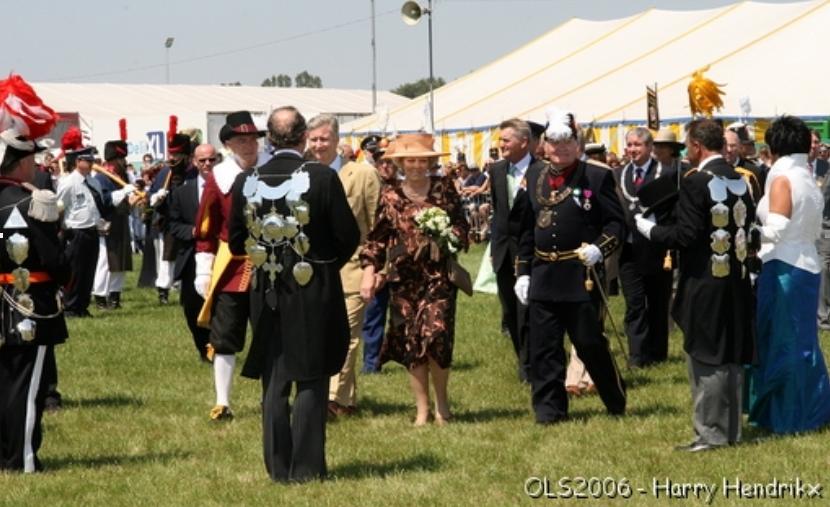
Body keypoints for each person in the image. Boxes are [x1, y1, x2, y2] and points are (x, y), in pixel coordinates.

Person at [228, 105, 358, 482]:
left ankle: (278, 467)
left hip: (264, 286)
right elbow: (347, 236)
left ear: (269, 138)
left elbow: (236, 240)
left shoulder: (246, 180)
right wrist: (324, 263)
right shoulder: (320, 177)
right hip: (312, 284)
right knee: (312, 376)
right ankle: (306, 468)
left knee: (276, 377)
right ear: (303, 137)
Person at [635, 119, 755, 451]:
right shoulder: (741, 178)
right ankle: (732, 431)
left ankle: (710, 434)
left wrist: (648, 230)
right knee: (731, 355)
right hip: (737, 281)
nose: (687, 153)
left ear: (698, 146)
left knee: (706, 357)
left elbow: (685, 236)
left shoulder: (695, 181)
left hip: (704, 281)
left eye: (688, 146)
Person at [514, 108, 626, 424]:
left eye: (566, 144)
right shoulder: (534, 175)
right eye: (553, 144)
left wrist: (599, 249)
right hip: (543, 275)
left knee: (590, 343)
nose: (560, 150)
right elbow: (524, 229)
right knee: (545, 348)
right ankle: (549, 411)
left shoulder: (597, 176)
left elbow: (617, 225)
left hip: (580, 275)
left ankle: (614, 399)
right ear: (544, 146)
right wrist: (522, 273)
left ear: (576, 145)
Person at [360, 133, 469, 426]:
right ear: (400, 163)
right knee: (412, 342)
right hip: (404, 280)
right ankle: (422, 410)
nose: (417, 165)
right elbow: (377, 240)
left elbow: (462, 225)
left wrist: (448, 237)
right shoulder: (390, 195)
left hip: (439, 277)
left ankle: (442, 406)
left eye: (423, 160)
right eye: (411, 160)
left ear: (430, 162)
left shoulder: (444, 189)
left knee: (437, 336)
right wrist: (370, 271)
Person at [747, 115, 830, 433]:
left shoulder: (781, 176)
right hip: (805, 263)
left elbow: (778, 227)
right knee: (803, 341)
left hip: (785, 266)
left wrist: (750, 234)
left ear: (772, 144)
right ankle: (814, 407)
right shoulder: (806, 174)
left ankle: (790, 415)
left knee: (785, 342)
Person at [0, 87, 68, 472]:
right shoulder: (32, 200)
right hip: (30, 301)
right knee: (27, 388)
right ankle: (22, 460)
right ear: (22, 163)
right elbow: (55, 259)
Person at [306, 115, 380, 417]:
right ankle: (346, 400)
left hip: (353, 268)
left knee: (347, 334)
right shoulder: (303, 175)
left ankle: (332, 400)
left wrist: (373, 270)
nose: (319, 144)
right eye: (313, 139)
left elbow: (377, 226)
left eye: (324, 138)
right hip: (312, 270)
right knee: (319, 333)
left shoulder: (361, 174)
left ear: (337, 140)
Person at [194, 111, 266, 420]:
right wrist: (203, 267)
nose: (248, 146)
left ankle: (272, 396)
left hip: (269, 262)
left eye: (252, 139)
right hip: (231, 265)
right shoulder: (218, 177)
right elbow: (206, 226)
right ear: (228, 144)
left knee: (270, 334)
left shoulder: (273, 171)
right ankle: (223, 401)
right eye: (241, 140)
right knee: (224, 336)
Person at [616, 127, 677, 368]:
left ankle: (657, 352)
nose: (632, 150)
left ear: (650, 147)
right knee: (634, 304)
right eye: (629, 145)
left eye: (637, 145)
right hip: (629, 250)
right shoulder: (618, 174)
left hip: (657, 250)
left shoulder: (667, 173)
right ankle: (637, 356)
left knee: (658, 303)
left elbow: (673, 211)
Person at [489, 119, 541, 382]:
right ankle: (523, 357)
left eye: (506, 140)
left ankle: (530, 367)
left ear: (524, 142)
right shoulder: (496, 170)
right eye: (500, 140)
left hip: (531, 249)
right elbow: (499, 211)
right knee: (509, 311)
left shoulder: (541, 170)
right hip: (503, 251)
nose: (501, 145)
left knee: (527, 312)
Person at [168, 143, 217, 362]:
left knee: (220, 307)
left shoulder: (228, 188)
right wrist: (194, 231)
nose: (207, 164)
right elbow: (173, 224)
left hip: (221, 254)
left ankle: (219, 347)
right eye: (202, 160)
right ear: (194, 162)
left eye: (211, 160)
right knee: (192, 307)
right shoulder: (182, 192)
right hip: (192, 256)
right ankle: (203, 347)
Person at [56, 129, 104, 318]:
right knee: (75, 271)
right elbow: (60, 206)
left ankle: (82, 305)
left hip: (92, 230)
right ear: (77, 162)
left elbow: (97, 205)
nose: (91, 163)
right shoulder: (68, 182)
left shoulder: (93, 182)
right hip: (76, 231)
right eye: (87, 160)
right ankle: (70, 306)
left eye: (92, 160)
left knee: (89, 270)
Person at [146, 131, 194, 304]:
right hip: (169, 220)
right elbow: (151, 196)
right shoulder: (165, 172)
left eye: (178, 155)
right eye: (172, 154)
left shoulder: (194, 172)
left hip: (190, 221)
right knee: (167, 257)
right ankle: (163, 290)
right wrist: (156, 198)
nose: (174, 158)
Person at [361, 136, 395, 375]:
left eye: (389, 161)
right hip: (377, 259)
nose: (385, 166)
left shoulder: (405, 191)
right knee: (373, 315)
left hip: (401, 260)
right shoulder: (371, 187)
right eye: (381, 160)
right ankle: (371, 363)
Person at [91, 140, 138, 310]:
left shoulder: (121, 176)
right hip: (107, 224)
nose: (124, 162)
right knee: (104, 262)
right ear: (113, 159)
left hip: (121, 221)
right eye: (121, 158)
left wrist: (133, 198)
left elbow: (126, 200)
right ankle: (100, 298)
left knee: (120, 262)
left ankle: (115, 296)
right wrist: (122, 192)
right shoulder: (101, 177)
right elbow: (104, 201)